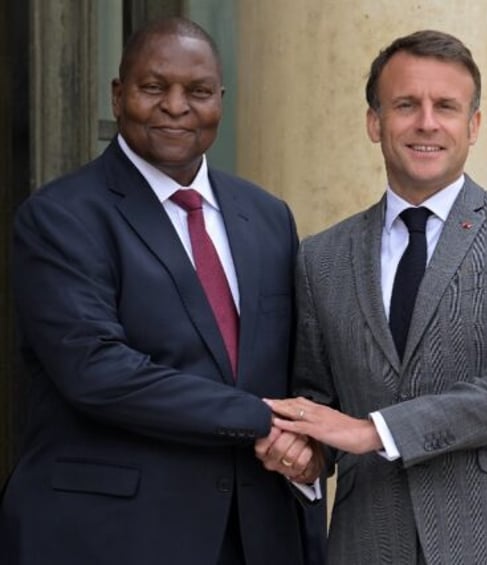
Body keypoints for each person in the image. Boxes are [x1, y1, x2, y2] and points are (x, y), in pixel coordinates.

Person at [1, 17, 325, 565]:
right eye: (154, 87)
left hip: (261, 534)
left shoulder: (268, 216)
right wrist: (265, 419)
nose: (176, 106)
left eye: (197, 92)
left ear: (220, 100)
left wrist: (314, 441)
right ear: (118, 93)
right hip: (114, 536)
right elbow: (97, 370)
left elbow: (303, 365)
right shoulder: (61, 216)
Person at [257, 29, 487, 564]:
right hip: (370, 541)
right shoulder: (321, 257)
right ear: (374, 122)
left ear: (473, 126)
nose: (427, 122)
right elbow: (318, 402)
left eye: (446, 106)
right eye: (406, 105)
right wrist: (304, 452)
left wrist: (372, 430)